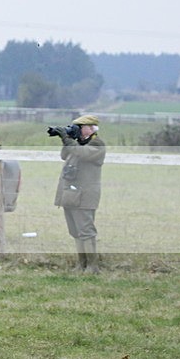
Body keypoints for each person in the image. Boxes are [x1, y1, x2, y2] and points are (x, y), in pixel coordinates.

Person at [52, 114, 106, 274]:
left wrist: (68, 139)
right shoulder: (77, 144)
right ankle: (81, 265)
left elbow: (82, 153)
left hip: (86, 195)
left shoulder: (97, 143)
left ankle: (92, 266)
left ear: (90, 128)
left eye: (80, 127)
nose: (77, 130)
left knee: (86, 231)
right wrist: (66, 139)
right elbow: (65, 155)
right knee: (75, 231)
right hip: (71, 193)